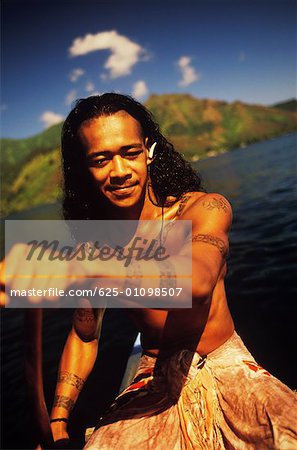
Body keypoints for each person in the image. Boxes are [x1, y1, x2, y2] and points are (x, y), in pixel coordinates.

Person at [3, 93, 296, 449]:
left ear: (149, 151)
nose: (120, 171)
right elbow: (84, 335)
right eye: (101, 159)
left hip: (226, 365)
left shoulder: (204, 208)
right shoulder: (96, 244)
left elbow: (198, 283)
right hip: (153, 378)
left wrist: (71, 263)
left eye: (129, 152)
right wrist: (59, 420)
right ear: (84, 168)